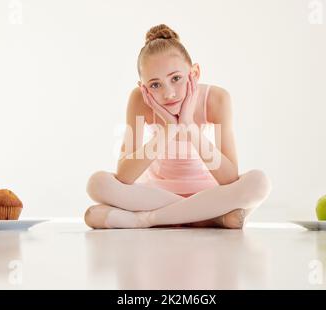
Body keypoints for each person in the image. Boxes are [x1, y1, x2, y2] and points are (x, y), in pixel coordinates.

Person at [84, 24, 272, 229]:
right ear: (143, 87)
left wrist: (188, 125)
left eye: (176, 78)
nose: (169, 93)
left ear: (195, 73)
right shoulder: (139, 100)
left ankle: (148, 219)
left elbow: (229, 178)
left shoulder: (216, 99)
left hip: (210, 194)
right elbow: (125, 176)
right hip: (155, 194)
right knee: (97, 183)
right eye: (155, 85)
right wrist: (169, 129)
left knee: (259, 183)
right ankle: (209, 218)